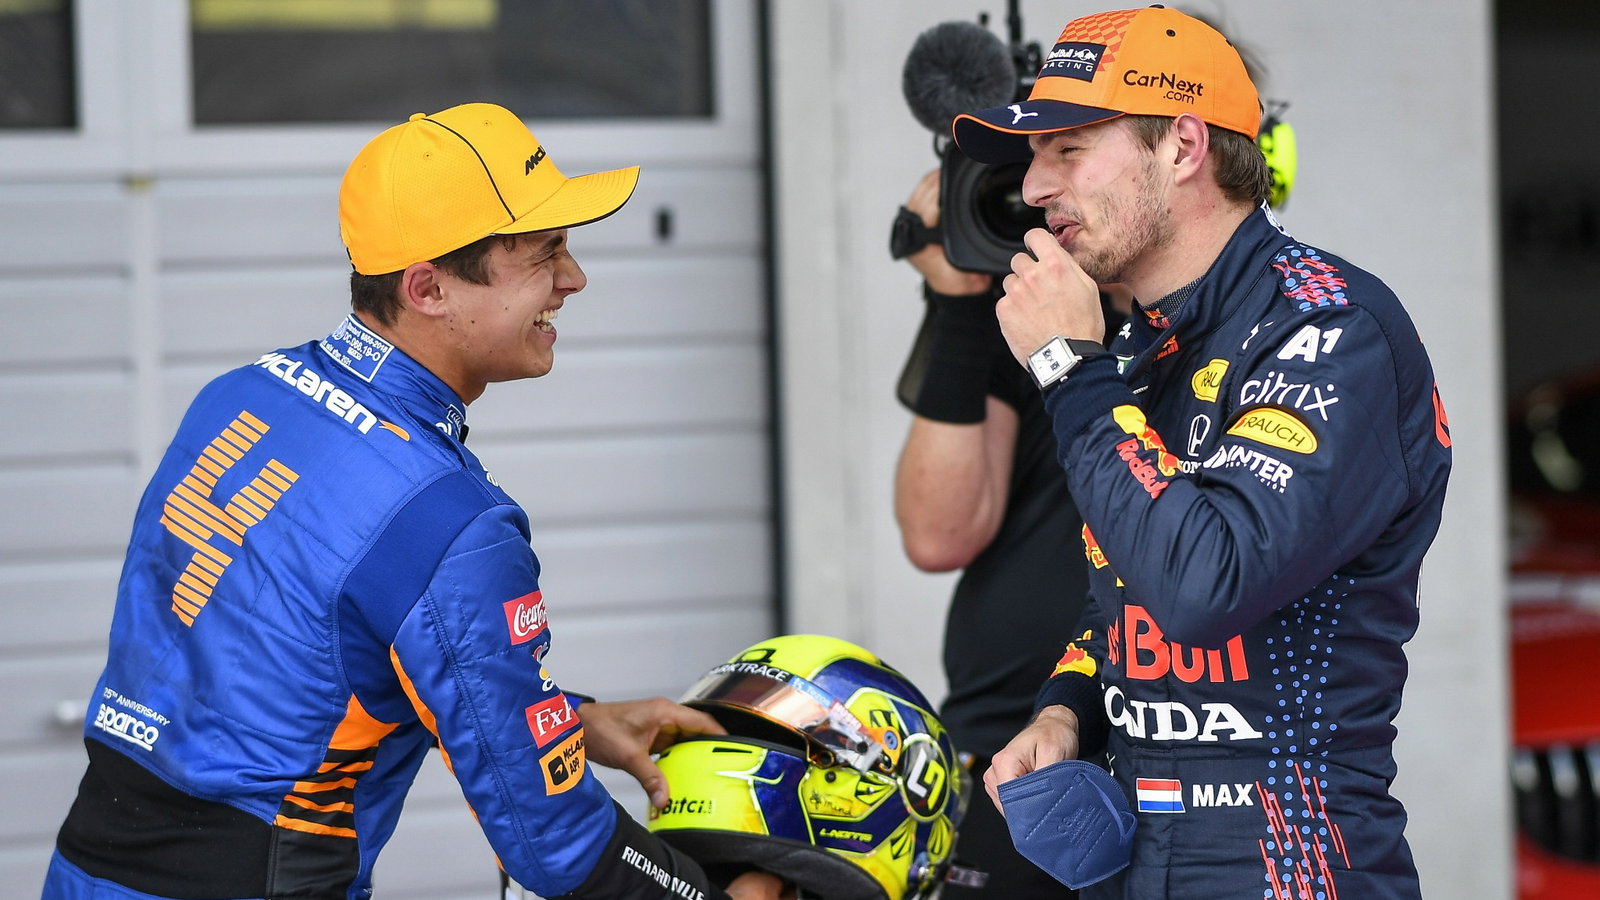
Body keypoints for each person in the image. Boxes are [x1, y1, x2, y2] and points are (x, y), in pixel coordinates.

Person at [41, 103, 788, 900]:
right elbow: (556, 848)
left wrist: (572, 719)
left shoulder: (240, 397)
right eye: (544, 254)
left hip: (85, 870)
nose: (573, 280)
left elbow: (308, 661)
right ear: (427, 286)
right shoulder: (451, 525)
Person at [944, 6, 1452, 899]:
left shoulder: (1330, 329)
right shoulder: (1137, 346)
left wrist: (1068, 366)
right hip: (1142, 854)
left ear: (1182, 147)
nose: (1032, 189)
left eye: (1066, 150)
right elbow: (1127, 589)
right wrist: (1070, 709)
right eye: (1033, 158)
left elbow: (1204, 581)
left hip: (1292, 864)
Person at [891, 167, 1129, 899]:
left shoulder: (1235, 324)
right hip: (1005, 748)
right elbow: (939, 533)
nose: (1045, 187)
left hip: (1158, 741)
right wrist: (960, 301)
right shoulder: (1026, 306)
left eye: (1077, 148)